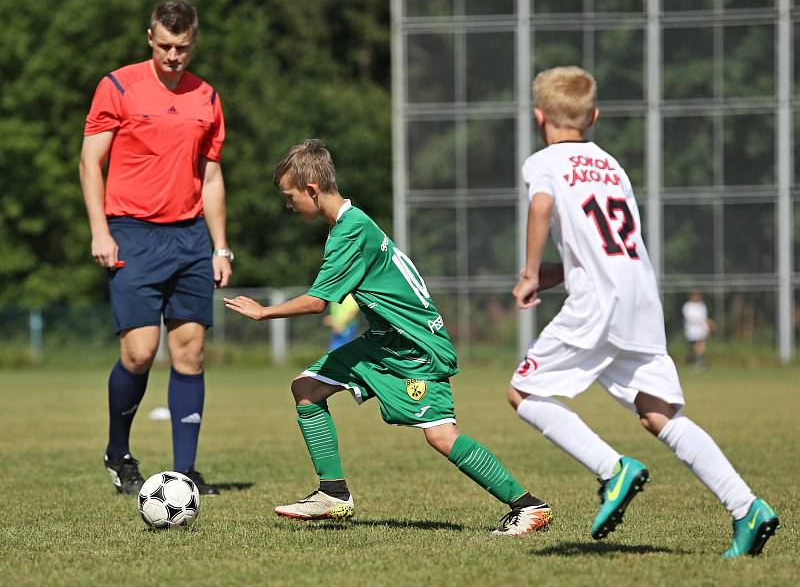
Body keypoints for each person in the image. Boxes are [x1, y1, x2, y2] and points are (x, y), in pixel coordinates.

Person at [508, 66, 779, 557]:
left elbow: (542, 209)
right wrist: (551, 274)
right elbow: (600, 250)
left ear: (538, 115)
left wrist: (529, 272)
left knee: (524, 391)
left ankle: (613, 470)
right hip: (638, 297)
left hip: (598, 304)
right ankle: (747, 508)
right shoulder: (612, 166)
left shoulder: (544, 161)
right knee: (659, 414)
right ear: (594, 116)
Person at [224, 139, 552, 535]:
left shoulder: (350, 231)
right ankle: (333, 493)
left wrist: (263, 311)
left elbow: (317, 302)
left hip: (415, 347)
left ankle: (529, 506)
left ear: (311, 189)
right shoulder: (350, 223)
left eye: (290, 196)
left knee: (442, 436)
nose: (288, 205)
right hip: (384, 341)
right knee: (307, 388)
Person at [79, 0, 232, 496]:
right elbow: (89, 162)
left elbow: (211, 176)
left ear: (194, 42)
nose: (173, 56)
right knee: (140, 352)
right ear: (150, 39)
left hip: (188, 237)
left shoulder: (207, 97)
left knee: (190, 353)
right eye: (164, 46)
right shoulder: (118, 85)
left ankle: (185, 473)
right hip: (132, 233)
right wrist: (101, 231)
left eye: (182, 47)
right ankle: (118, 453)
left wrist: (220, 247)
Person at [682, 290, 713, 369]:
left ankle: (700, 363)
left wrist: (708, 325)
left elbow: (704, 317)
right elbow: (690, 318)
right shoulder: (687, 306)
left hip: (701, 330)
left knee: (700, 346)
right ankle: (695, 362)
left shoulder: (701, 306)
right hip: (692, 330)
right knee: (694, 347)